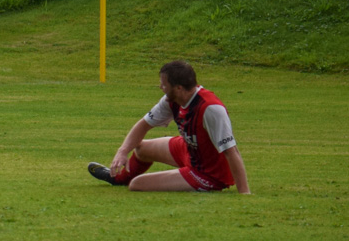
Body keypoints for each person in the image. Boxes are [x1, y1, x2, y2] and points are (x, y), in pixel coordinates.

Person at [88, 60, 251, 194]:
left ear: (178, 88)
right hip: (190, 151)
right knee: (141, 148)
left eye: (164, 85)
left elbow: (231, 151)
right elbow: (143, 125)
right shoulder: (171, 100)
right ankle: (117, 178)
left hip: (208, 173)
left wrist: (244, 193)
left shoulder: (210, 108)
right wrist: (123, 151)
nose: (160, 87)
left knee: (137, 184)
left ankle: (196, 180)